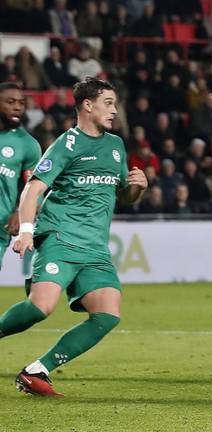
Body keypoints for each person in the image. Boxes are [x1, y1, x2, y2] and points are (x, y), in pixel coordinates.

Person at [2, 77, 147, 397]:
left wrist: (137, 186)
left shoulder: (115, 146)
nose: (114, 110)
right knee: (41, 307)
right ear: (87, 105)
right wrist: (26, 231)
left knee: (108, 314)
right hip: (60, 237)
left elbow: (122, 195)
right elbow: (33, 189)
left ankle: (36, 370)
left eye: (114, 103)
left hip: (95, 247)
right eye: (108, 103)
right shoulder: (67, 144)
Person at [0, 82, 42, 271]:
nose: (17, 106)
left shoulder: (28, 145)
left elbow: (34, 189)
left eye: (21, 102)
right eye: (10, 101)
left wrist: (19, 212)